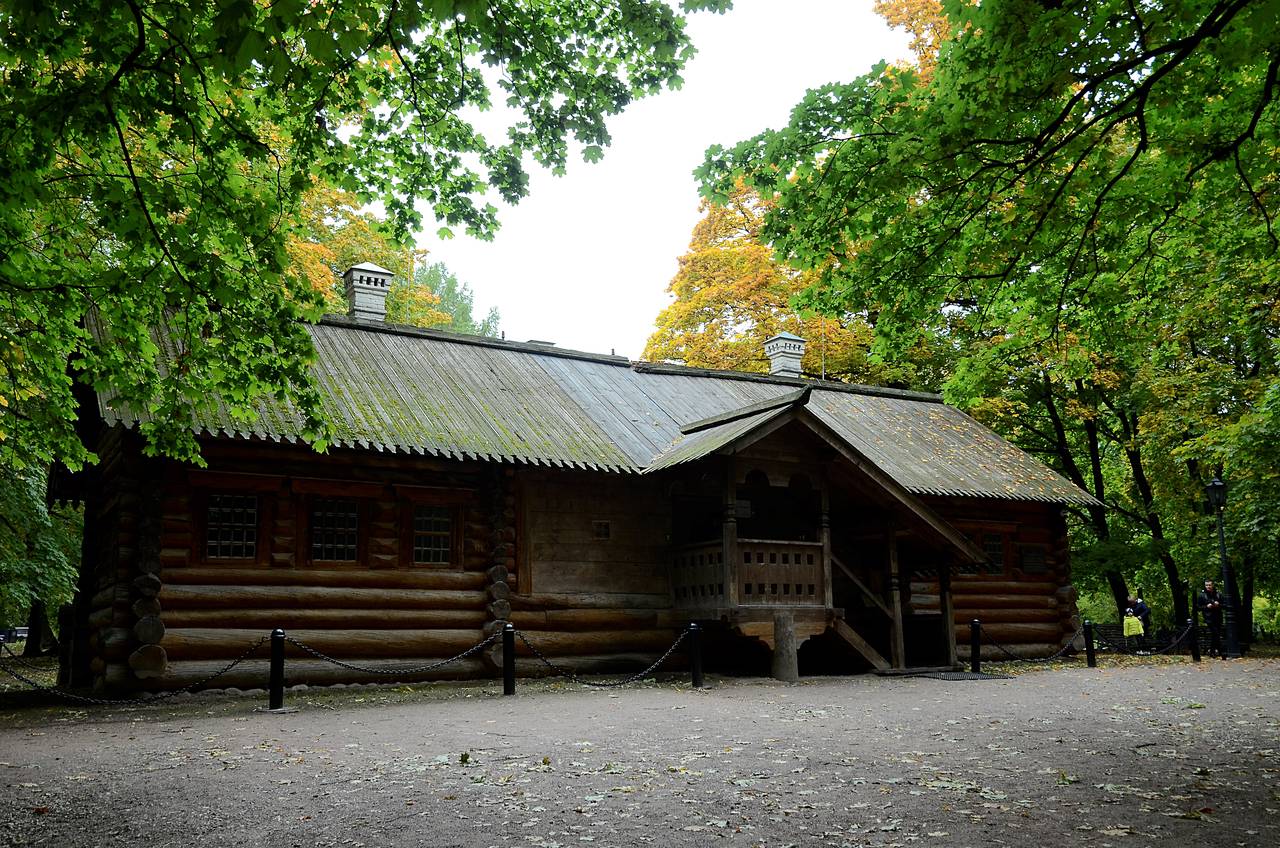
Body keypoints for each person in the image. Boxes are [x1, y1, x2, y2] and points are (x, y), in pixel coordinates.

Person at [1197, 579, 1224, 658]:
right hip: (1208, 617)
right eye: (1206, 585)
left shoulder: (1218, 594)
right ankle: (1217, 651)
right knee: (1215, 633)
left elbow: (1224, 605)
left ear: (1213, 585)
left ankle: (1215, 651)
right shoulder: (1202, 595)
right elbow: (1198, 607)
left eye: (1209, 585)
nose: (1208, 586)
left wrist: (1218, 604)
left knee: (1216, 634)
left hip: (1218, 617)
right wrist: (1206, 606)